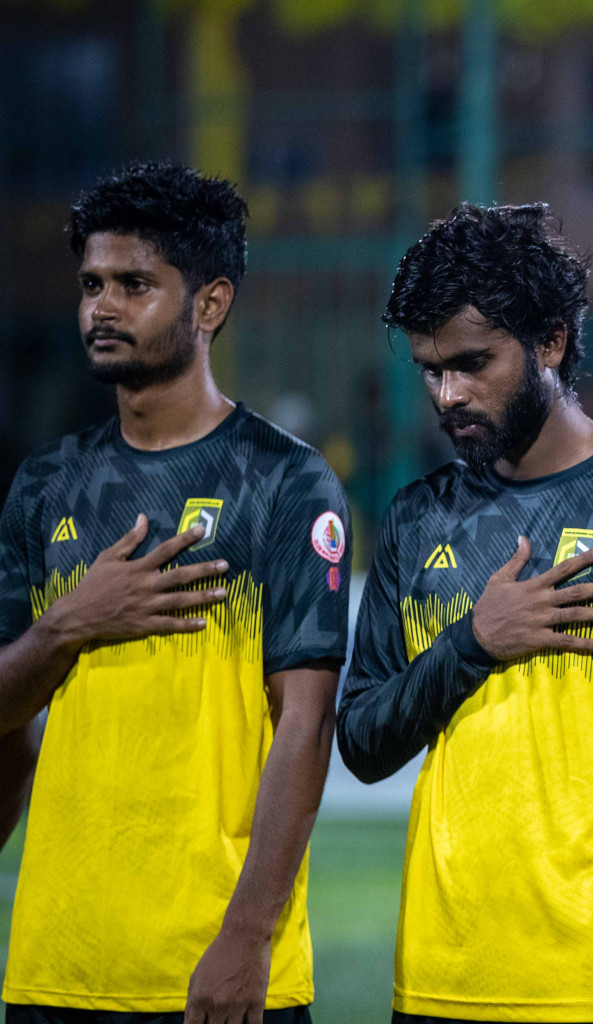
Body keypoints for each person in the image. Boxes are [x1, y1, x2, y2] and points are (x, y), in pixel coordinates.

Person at [0, 162, 351, 1024]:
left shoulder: (287, 484)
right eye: (91, 285)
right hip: (57, 961)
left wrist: (247, 939)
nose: (102, 308)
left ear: (209, 305)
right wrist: (68, 627)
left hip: (211, 969)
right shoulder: (46, 484)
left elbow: (304, 725)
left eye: (134, 285)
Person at [336, 203, 593, 1024]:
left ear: (550, 342)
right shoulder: (416, 518)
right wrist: (475, 641)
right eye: (430, 369)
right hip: (441, 978)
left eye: (473, 363)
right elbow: (364, 743)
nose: (448, 393)